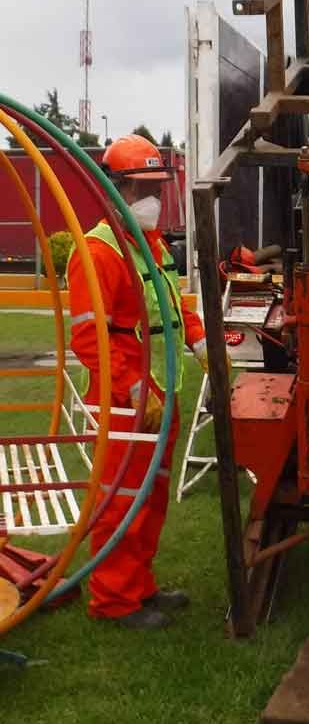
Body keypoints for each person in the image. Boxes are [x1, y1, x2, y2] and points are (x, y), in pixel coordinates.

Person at [68, 135, 210, 630]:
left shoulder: (152, 246)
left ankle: (140, 585)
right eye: (142, 188)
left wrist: (199, 342)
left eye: (158, 187)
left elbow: (172, 304)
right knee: (121, 500)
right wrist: (130, 387)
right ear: (117, 191)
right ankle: (113, 600)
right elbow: (89, 336)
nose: (152, 199)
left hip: (159, 393)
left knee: (150, 497)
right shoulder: (98, 251)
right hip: (125, 401)